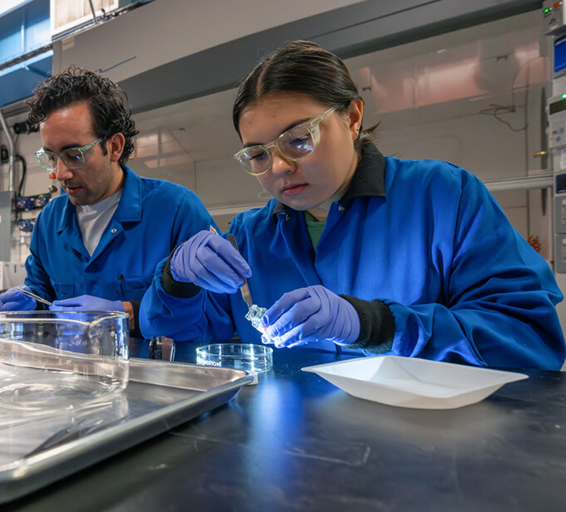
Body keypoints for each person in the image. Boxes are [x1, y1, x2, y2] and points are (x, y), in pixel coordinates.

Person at [140, 40, 566, 370]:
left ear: (352, 117)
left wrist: (375, 326)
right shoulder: (250, 238)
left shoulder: (442, 197)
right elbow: (179, 337)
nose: (281, 167)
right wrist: (176, 279)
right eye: (258, 155)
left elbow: (528, 339)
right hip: (288, 461)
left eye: (299, 139)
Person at [0, 66, 217, 338]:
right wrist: (29, 301)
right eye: (51, 157)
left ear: (114, 147)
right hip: (72, 375)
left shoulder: (176, 210)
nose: (60, 174)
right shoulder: (49, 221)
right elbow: (42, 291)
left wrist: (126, 313)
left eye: (74, 155)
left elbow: (216, 318)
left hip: (155, 377)